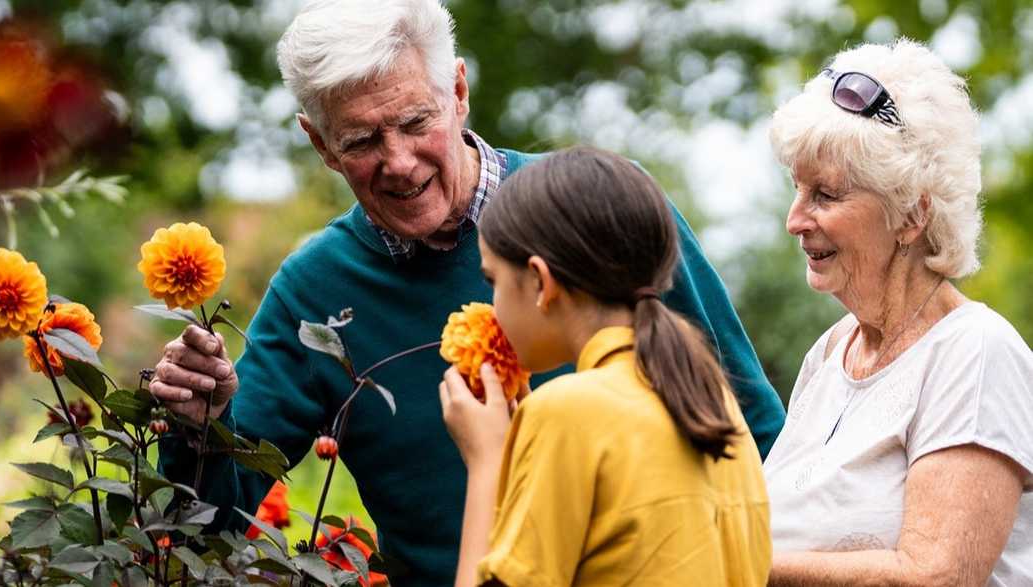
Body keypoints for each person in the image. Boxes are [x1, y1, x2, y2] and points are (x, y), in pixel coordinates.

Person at [149, 1, 784, 585]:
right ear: (321, 146)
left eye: (414, 121)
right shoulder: (312, 292)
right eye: (362, 140)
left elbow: (759, 438)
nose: (398, 161)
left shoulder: (604, 211)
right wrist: (199, 427)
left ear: (457, 92)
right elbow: (211, 531)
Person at [762, 39, 1033, 586]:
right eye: (797, 189)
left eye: (825, 195)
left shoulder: (975, 352)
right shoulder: (831, 352)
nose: (795, 219)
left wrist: (724, 562)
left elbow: (936, 577)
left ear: (911, 215)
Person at [439, 146, 771, 587]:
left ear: (540, 281)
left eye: (493, 280)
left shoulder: (565, 412)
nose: (492, 306)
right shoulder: (715, 404)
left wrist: (488, 465)